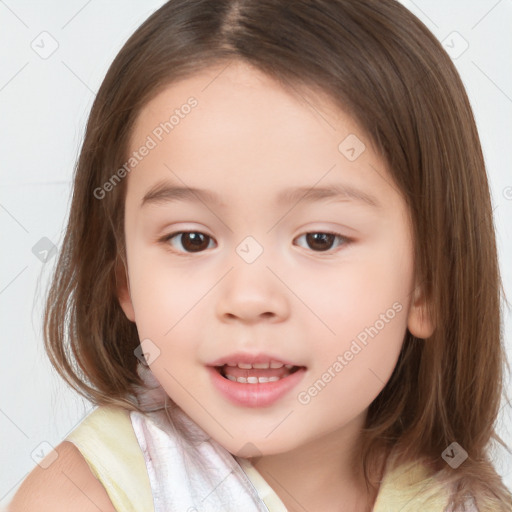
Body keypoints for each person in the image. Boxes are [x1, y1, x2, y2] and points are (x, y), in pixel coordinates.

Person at [8, 0, 512, 511]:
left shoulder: (464, 498)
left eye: (320, 239)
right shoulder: (79, 500)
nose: (249, 298)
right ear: (124, 278)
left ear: (428, 284)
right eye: (192, 240)